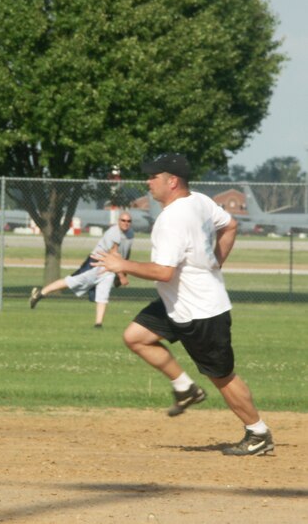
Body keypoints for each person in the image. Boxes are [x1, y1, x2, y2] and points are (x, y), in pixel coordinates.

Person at [93, 153, 273, 456]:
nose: (148, 182)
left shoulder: (171, 220)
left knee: (222, 376)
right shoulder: (200, 201)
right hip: (176, 301)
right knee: (136, 337)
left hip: (201, 310)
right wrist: (215, 262)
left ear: (172, 181)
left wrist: (120, 263)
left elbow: (164, 271)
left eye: (153, 177)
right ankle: (185, 387)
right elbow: (230, 225)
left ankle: (258, 433)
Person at [29, 213, 134, 328]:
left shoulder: (130, 234)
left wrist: (124, 271)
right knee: (71, 282)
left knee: (103, 294)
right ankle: (40, 294)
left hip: (109, 267)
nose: (126, 223)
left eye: (128, 221)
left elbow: (125, 254)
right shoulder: (114, 233)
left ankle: (98, 324)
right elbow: (114, 254)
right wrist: (122, 276)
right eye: (123, 220)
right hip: (96, 263)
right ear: (118, 221)